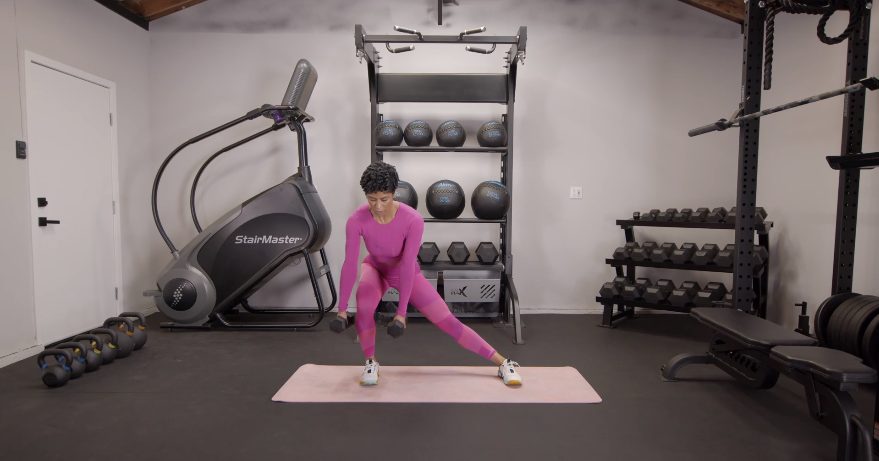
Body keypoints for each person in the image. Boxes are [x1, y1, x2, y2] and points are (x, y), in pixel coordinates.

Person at [336, 161, 522, 387]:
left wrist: (401, 314)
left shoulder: (412, 219)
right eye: (371, 199)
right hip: (374, 268)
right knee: (364, 307)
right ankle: (370, 362)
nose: (378, 206)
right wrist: (342, 309)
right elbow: (349, 263)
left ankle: (503, 362)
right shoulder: (356, 220)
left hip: (404, 271)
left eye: (384, 199)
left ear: (394, 193)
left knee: (448, 322)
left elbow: (407, 264)